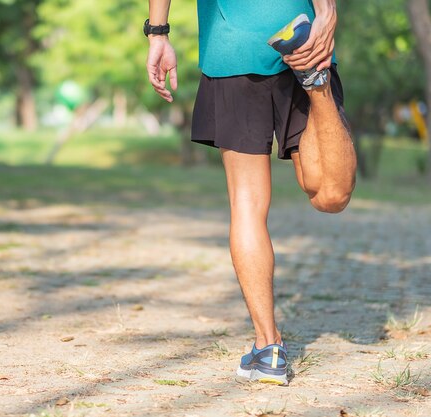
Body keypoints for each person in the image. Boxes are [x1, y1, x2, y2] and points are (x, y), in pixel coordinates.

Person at [144, 0, 357, 386]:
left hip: (232, 48)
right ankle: (315, 83)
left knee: (247, 203)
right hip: (302, 35)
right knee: (330, 194)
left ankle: (268, 347)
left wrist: (158, 33)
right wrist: (327, 13)